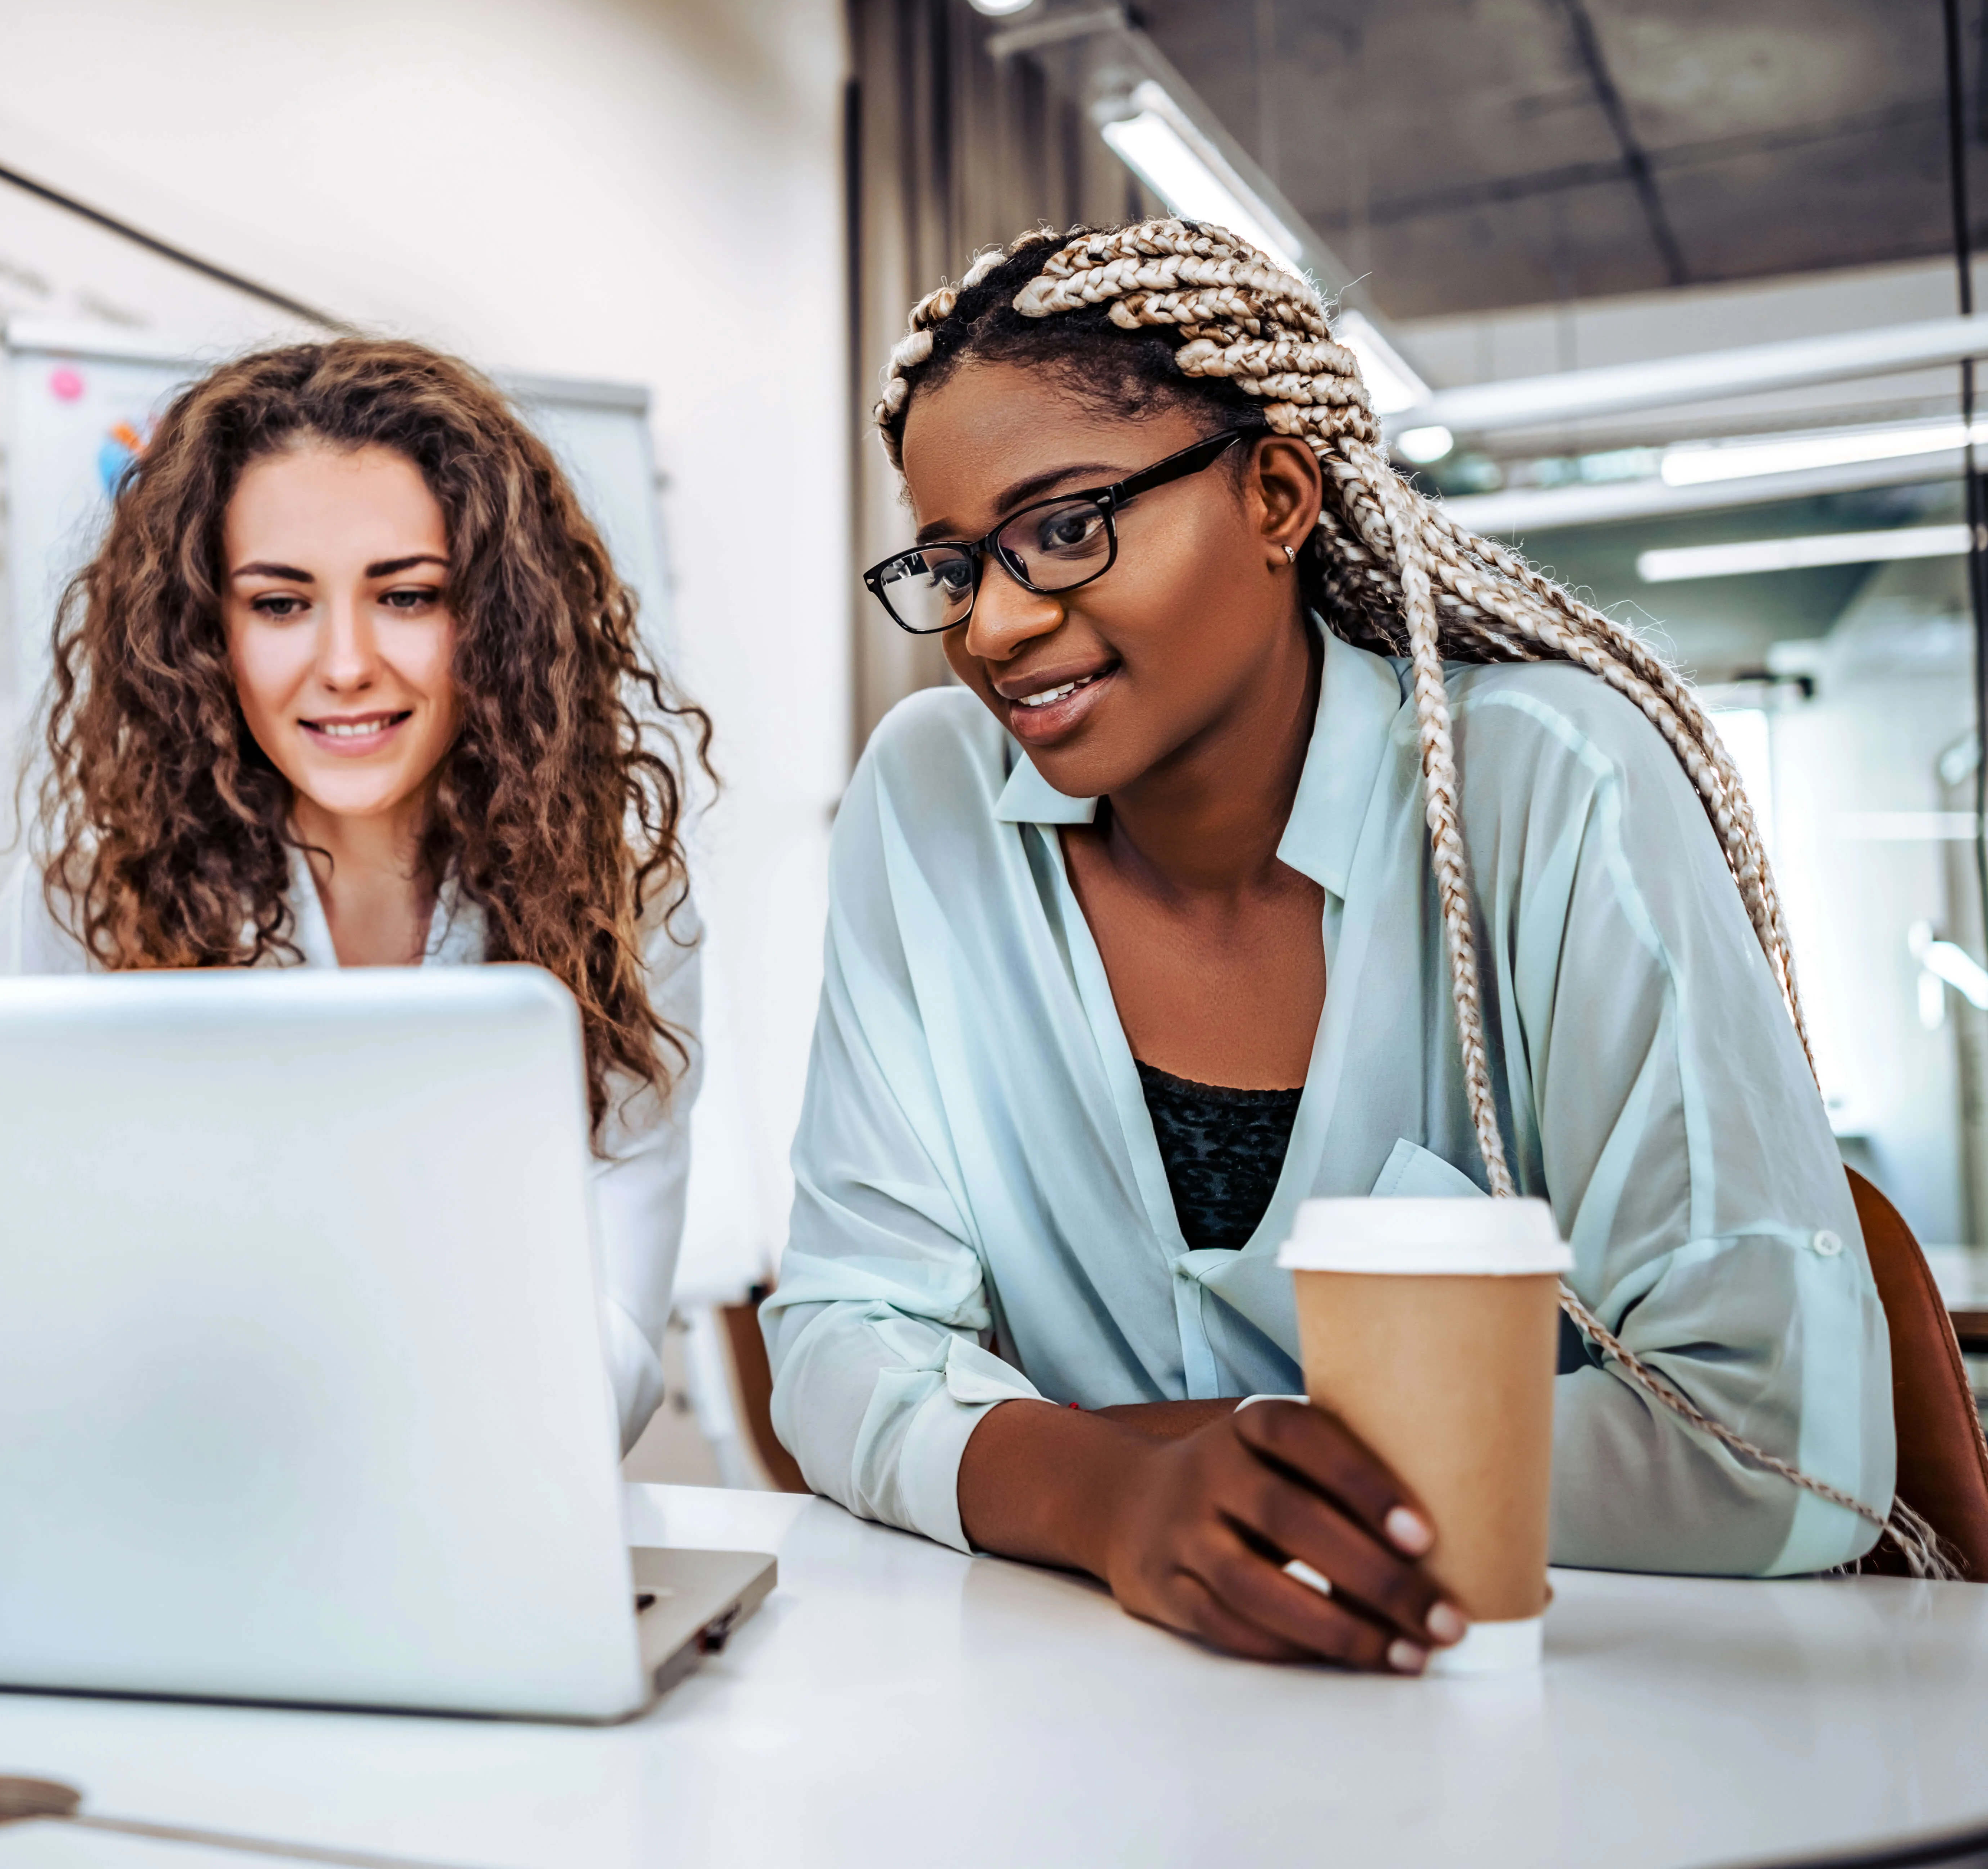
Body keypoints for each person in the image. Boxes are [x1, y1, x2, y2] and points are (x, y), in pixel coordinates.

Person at [765, 218, 1900, 1674]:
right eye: (949, 564)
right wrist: (1112, 1499)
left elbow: (1770, 1443)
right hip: (1081, 1720)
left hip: (1545, 1723)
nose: (990, 625)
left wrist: (1177, 1459)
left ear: (1276, 497)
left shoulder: (1553, 788)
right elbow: (837, 1338)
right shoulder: (922, 797)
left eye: (1062, 528)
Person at [0, 339, 710, 1454]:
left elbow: (607, 1355)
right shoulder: (92, 891)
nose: (347, 662)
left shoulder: (624, 906)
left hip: (476, 1513)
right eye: (280, 604)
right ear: (206, 632)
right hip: (139, 1503)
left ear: (496, 620)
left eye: (407, 596)